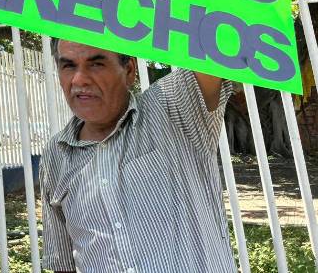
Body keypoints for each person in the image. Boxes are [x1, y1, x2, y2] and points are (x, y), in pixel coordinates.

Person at [39, 38, 236, 273]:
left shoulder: (172, 106)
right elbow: (63, 264)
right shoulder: (55, 155)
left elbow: (217, 38)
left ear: (130, 70)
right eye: (68, 65)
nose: (79, 79)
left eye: (96, 64)